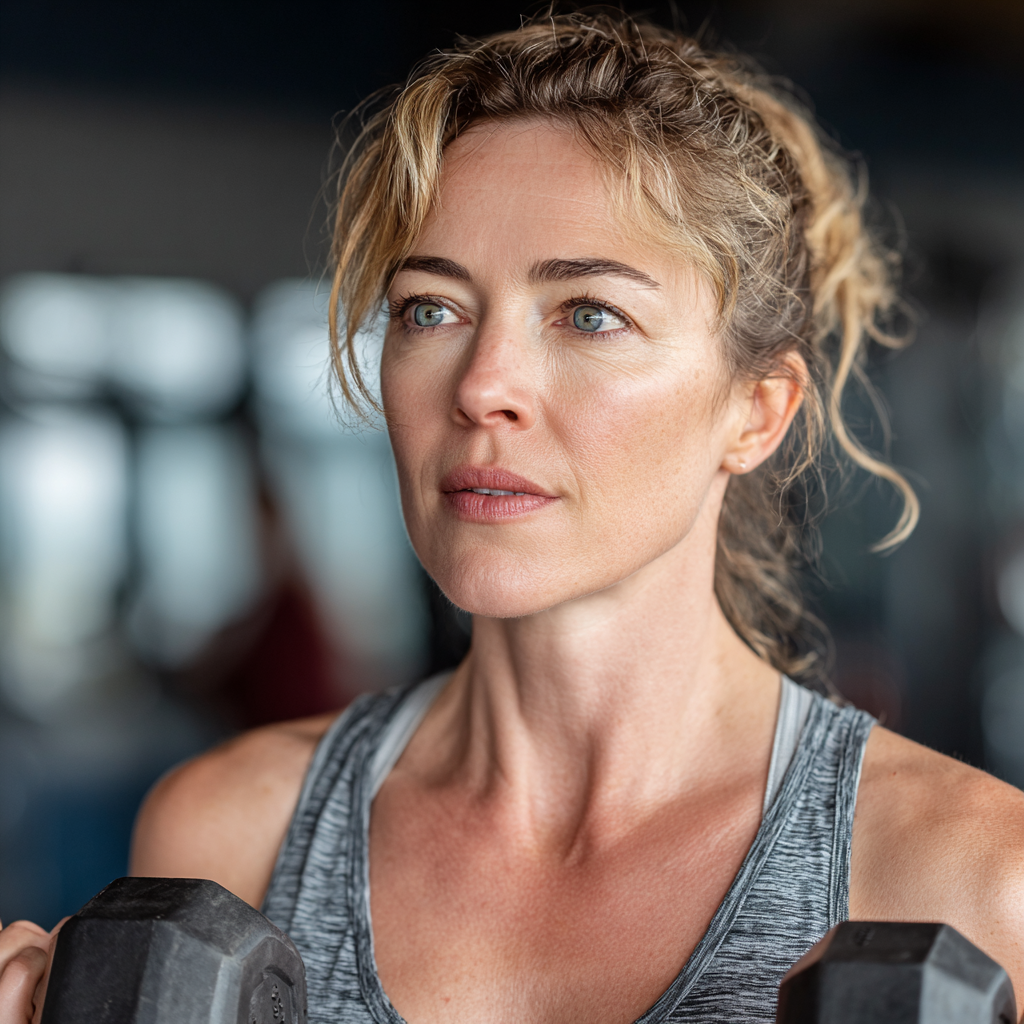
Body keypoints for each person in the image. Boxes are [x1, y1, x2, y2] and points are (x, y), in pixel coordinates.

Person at [2, 11, 1023, 1024]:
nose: (482, 385)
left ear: (755, 411)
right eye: (429, 310)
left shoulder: (973, 878)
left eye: (589, 315)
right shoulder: (230, 835)